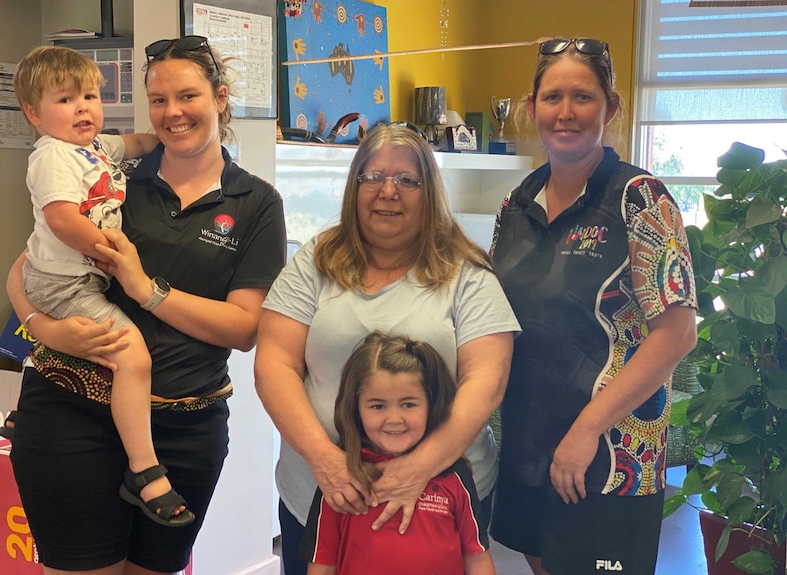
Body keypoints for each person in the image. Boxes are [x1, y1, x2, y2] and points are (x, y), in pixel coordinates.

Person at [6, 35, 286, 575]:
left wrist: (145, 289)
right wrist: (45, 329)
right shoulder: (110, 177)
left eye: (188, 96)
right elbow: (25, 269)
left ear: (220, 98)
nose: (173, 113)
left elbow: (244, 328)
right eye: (158, 100)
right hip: (73, 412)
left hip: (188, 427)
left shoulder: (255, 202)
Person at [254, 123, 520, 575]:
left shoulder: (467, 271)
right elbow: (273, 364)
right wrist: (327, 462)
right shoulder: (317, 260)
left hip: (441, 496)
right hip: (323, 493)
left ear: (430, 192)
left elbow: (486, 383)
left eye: (407, 180)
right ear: (354, 186)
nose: (387, 192)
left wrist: (419, 467)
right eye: (372, 177)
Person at [488, 37, 698, 575]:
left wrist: (584, 432)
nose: (565, 112)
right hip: (529, 442)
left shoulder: (641, 199)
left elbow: (676, 334)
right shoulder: (518, 203)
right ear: (532, 107)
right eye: (552, 97)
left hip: (610, 454)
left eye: (582, 96)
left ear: (612, 106)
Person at [12, 45, 192, 527]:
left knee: (93, 345)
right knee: (131, 356)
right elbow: (63, 220)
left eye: (90, 96)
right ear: (33, 113)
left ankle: (21, 413)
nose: (84, 108)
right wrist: (112, 255)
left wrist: (170, 133)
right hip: (63, 282)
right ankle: (144, 469)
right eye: (66, 100)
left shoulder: (90, 148)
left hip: (72, 277)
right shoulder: (52, 156)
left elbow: (133, 144)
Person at [302, 331, 496, 575]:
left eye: (408, 404)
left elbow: (477, 557)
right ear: (356, 409)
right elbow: (322, 564)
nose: (394, 419)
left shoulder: (453, 475)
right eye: (378, 406)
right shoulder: (342, 480)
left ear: (431, 404)